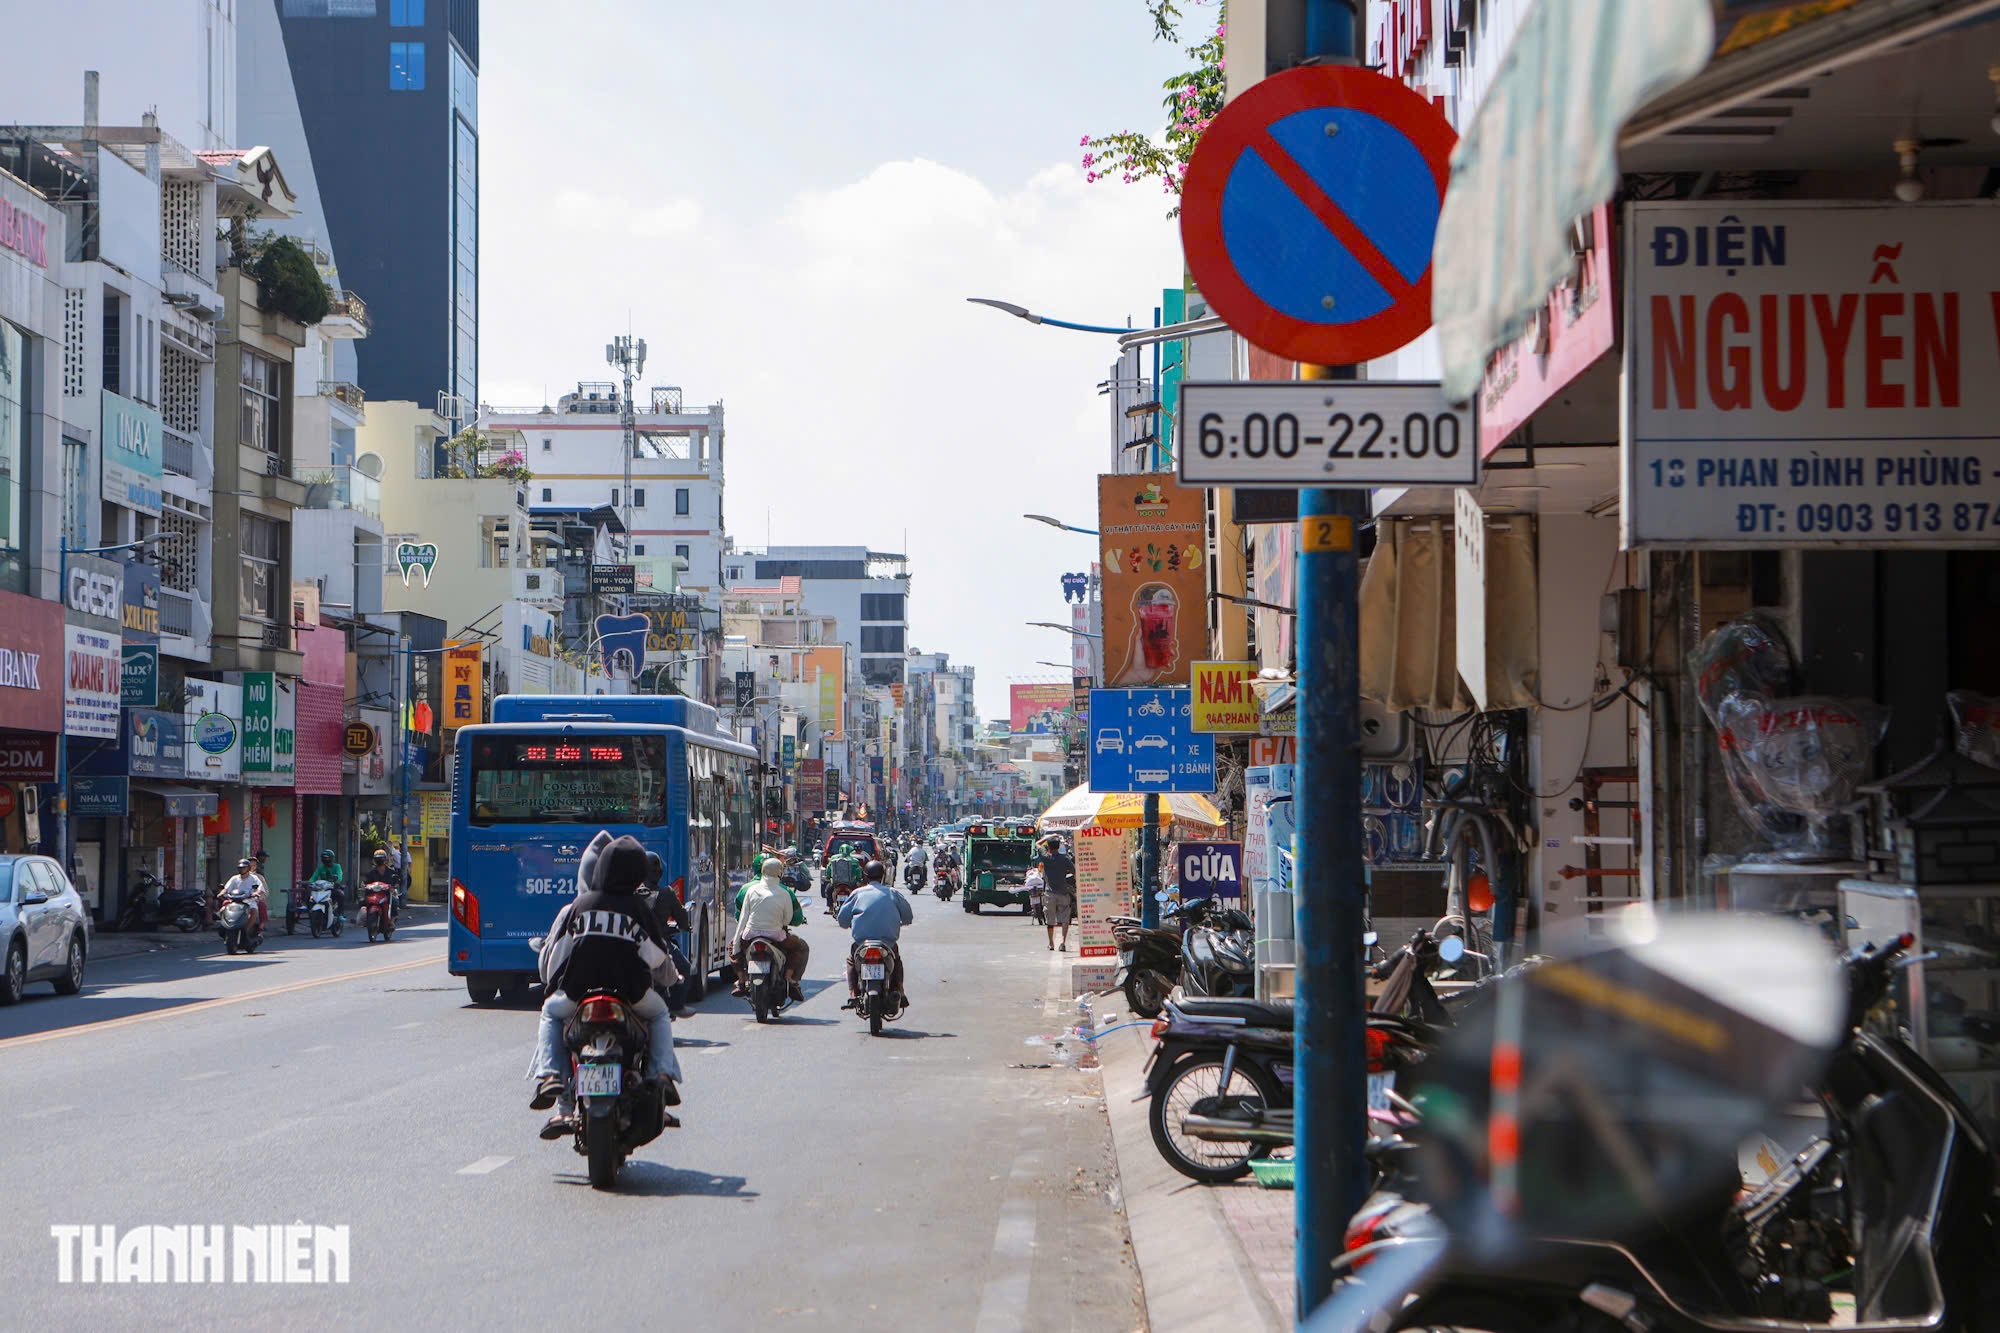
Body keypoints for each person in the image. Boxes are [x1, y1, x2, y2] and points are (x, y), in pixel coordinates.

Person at [529, 833, 683, 1140]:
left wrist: (552, 983)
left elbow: (557, 957)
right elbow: (656, 958)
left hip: (578, 994)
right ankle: (661, 1073)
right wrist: (672, 980)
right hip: (631, 994)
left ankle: (549, 1075)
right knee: (660, 1014)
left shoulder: (581, 905)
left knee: (550, 1012)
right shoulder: (638, 909)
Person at [837, 860, 913, 1010]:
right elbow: (908, 917)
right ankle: (900, 991)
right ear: (883, 876)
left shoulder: (857, 894)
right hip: (888, 944)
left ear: (865, 876)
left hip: (861, 944)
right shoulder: (893, 893)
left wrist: (848, 923)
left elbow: (842, 919)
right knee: (896, 961)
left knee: (852, 960)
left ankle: (852, 993)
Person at [731, 857, 809, 1002]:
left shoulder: (749, 890)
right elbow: (788, 920)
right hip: (776, 936)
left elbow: (742, 917)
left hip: (750, 935)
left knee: (732, 948)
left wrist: (737, 941)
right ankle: (790, 979)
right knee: (800, 947)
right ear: (780, 872)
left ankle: (742, 980)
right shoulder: (785, 892)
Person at [1035, 835, 1077, 952]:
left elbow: (1038, 844)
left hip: (1050, 893)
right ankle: (1063, 942)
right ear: (1059, 846)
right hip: (1063, 892)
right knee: (1064, 918)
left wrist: (1049, 836)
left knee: (1050, 919)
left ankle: (1051, 943)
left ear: (1048, 847)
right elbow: (1074, 872)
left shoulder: (1045, 857)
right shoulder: (1065, 859)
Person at [222, 857, 268, 935]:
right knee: (223, 909)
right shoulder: (234, 878)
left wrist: (256, 893)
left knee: (254, 911)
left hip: (249, 900)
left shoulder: (255, 878)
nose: (242, 869)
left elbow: (260, 888)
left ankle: (247, 929)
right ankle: (225, 926)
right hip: (235, 900)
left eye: (244, 868)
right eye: (240, 868)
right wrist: (222, 893)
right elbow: (226, 888)